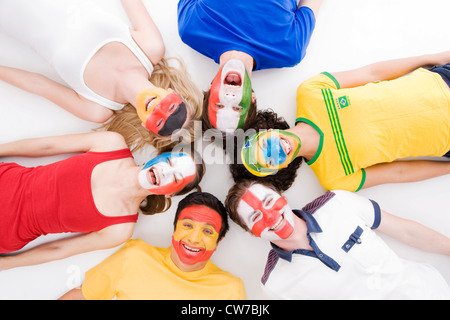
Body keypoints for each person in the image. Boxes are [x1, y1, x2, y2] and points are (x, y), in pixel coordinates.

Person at [0, 0, 202, 152]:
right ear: (172, 92)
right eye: (173, 109)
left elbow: (38, 84)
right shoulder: (150, 48)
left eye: (160, 123)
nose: (159, 110)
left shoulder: (98, 108)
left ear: (145, 125)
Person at [240, 51, 450, 191]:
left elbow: (372, 73)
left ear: (267, 132)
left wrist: (434, 58)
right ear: (281, 167)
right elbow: (399, 172)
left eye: (266, 144)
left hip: (441, 82)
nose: (276, 150)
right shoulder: (334, 178)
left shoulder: (310, 93)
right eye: (270, 160)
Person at [0, 131, 204, 269]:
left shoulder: (120, 229)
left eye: (176, 178)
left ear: (168, 194)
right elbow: (47, 146)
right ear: (159, 156)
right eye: (169, 161)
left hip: (6, 232)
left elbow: (58, 249)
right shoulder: (111, 143)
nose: (165, 171)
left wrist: (8, 264)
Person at [225, 180, 450, 299]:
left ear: (282, 198)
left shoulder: (338, 202)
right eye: (255, 217)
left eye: (268, 202)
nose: (270, 215)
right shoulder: (274, 284)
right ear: (251, 232)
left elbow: (406, 231)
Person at [59, 192, 246, 300]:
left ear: (217, 242)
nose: (194, 239)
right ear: (174, 230)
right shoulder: (134, 256)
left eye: (207, 232)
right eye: (187, 226)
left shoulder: (230, 289)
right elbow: (82, 296)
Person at [177, 0, 323, 135]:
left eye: (219, 105)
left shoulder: (191, 29)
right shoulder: (290, 50)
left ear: (209, 90)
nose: (230, 97)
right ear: (252, 99)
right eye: (237, 108)